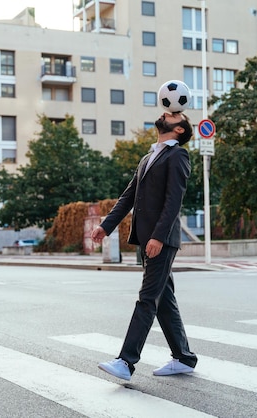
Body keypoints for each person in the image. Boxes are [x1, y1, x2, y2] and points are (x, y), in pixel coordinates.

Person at [91, 111, 198, 381]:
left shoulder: (177, 156)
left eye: (176, 115)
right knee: (164, 301)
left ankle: (126, 362)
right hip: (147, 239)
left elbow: (174, 201)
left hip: (160, 241)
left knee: (147, 299)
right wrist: (106, 226)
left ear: (180, 131)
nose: (168, 113)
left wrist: (159, 237)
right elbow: (128, 197)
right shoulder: (148, 157)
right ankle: (184, 357)